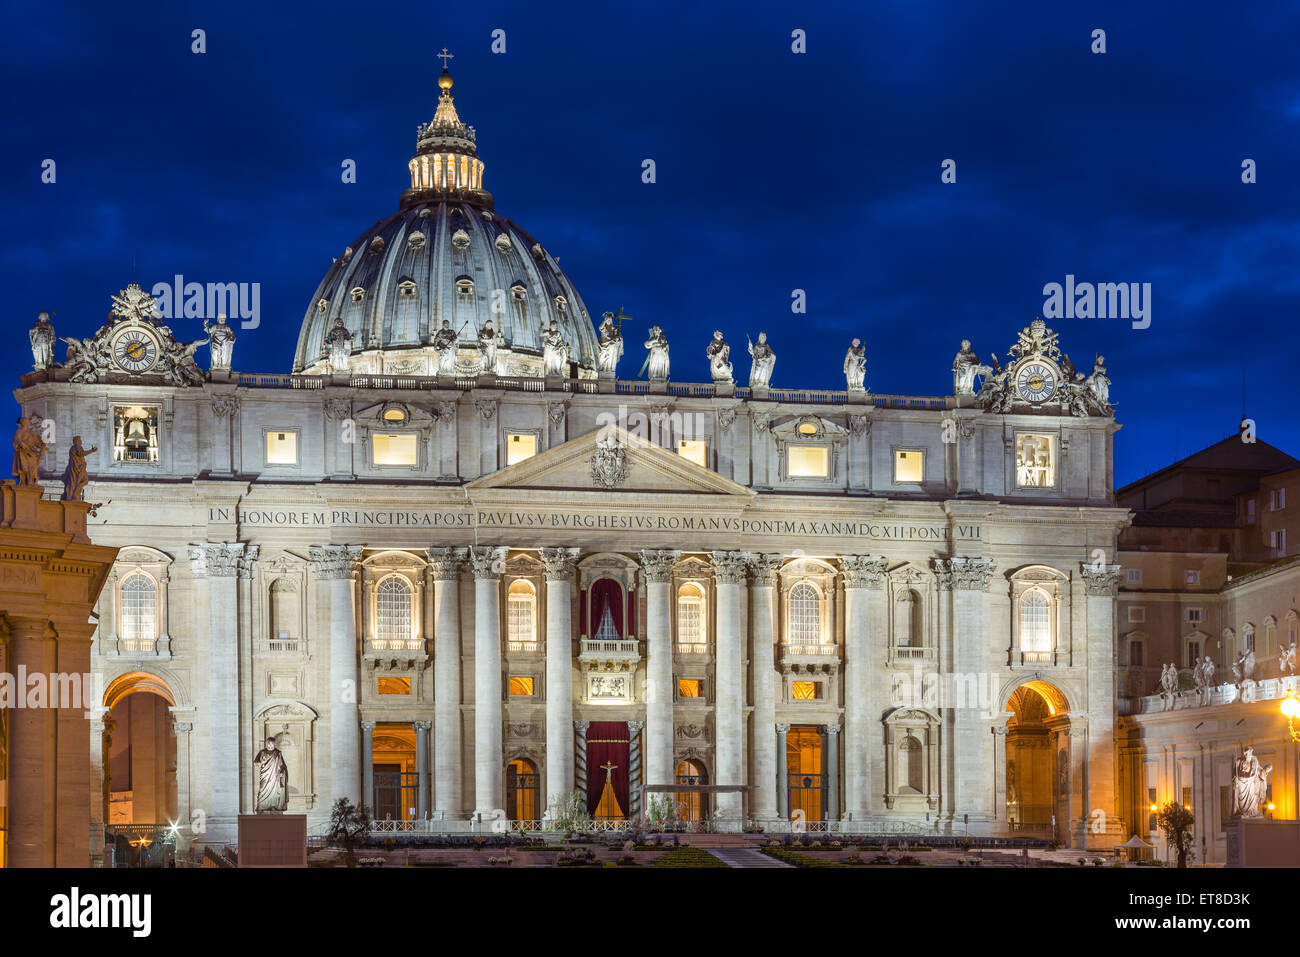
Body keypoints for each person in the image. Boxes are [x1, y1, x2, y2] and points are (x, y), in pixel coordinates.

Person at [61, 435, 97, 501]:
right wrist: (91, 450)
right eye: (80, 440)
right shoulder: (77, 447)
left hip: (76, 467)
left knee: (78, 481)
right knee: (84, 481)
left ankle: (74, 493)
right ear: (77, 441)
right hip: (78, 468)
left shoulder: (72, 448)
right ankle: (74, 493)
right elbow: (80, 454)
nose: (81, 441)